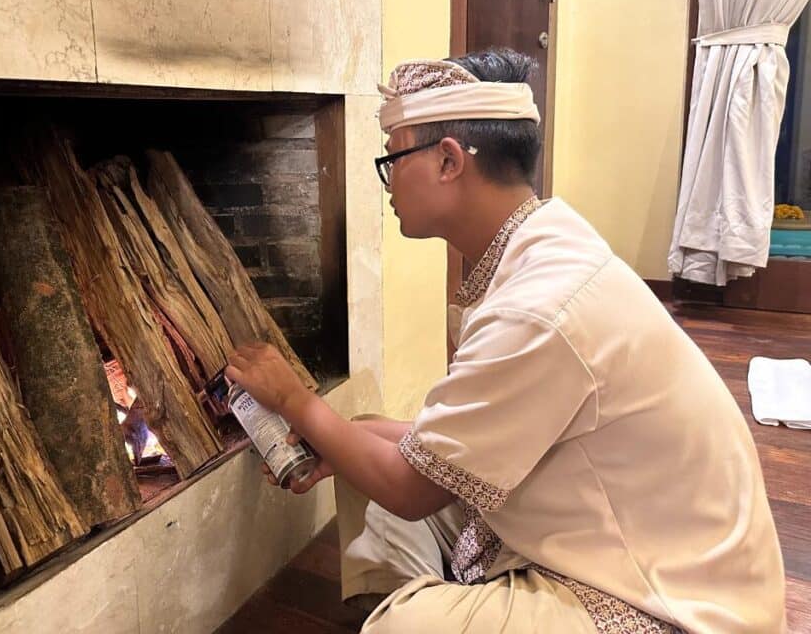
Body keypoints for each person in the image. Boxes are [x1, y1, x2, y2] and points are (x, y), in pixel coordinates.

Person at [225, 49, 786, 633]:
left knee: (404, 619)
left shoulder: (536, 307)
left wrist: (292, 400)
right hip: (594, 526)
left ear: (448, 161)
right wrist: (335, 432)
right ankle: (436, 602)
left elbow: (411, 491)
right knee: (359, 434)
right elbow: (445, 448)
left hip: (665, 596)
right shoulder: (543, 241)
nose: (387, 182)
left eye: (393, 158)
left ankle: (421, 611)